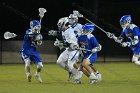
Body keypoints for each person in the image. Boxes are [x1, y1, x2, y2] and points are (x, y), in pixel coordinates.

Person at [54, 17, 81, 84]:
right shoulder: (63, 31)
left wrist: (61, 44)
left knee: (70, 64)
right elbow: (65, 42)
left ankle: (77, 79)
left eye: (60, 25)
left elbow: (70, 44)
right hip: (68, 49)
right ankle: (70, 71)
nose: (59, 26)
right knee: (59, 62)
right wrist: (54, 34)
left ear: (64, 23)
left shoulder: (70, 31)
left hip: (74, 50)